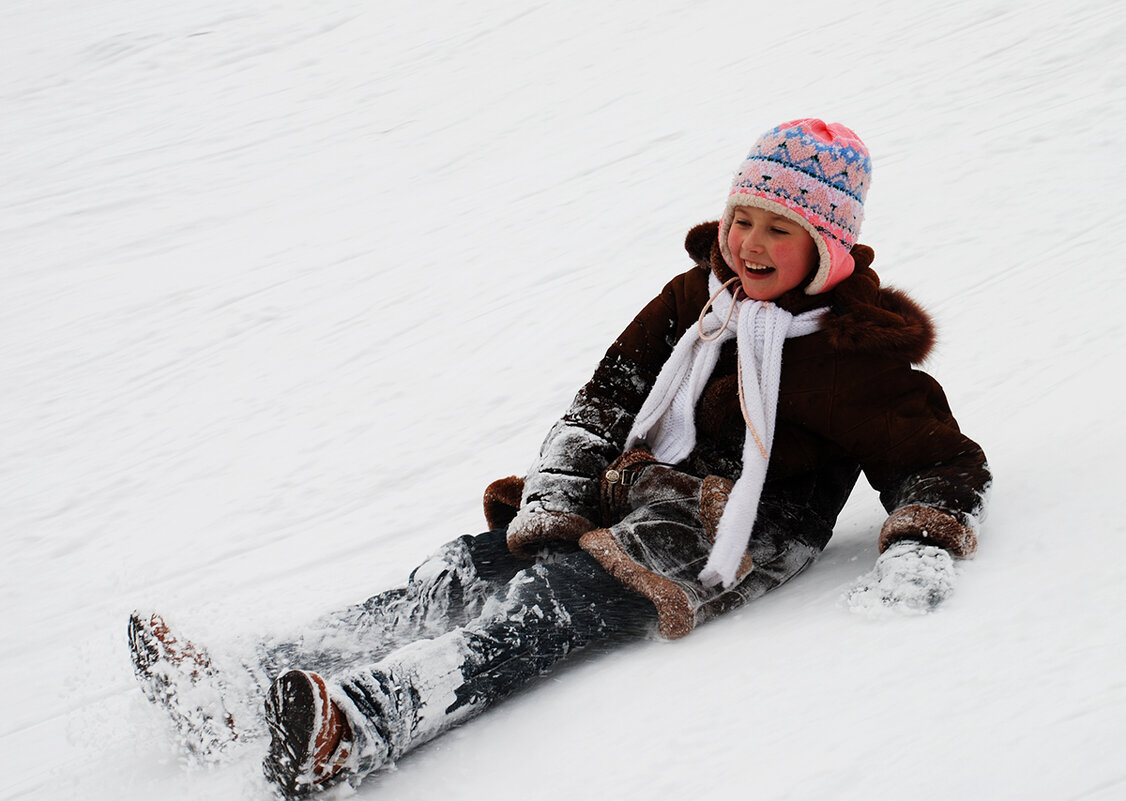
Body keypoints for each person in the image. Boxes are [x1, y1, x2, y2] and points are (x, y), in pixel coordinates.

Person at [128, 119, 990, 798]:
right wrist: (556, 497)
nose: (748, 244)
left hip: (736, 531)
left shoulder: (852, 355)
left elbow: (941, 463)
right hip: (636, 490)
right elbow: (608, 396)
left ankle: (360, 723)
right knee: (468, 564)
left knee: (554, 601)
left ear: (829, 246)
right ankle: (249, 679)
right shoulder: (698, 298)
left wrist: (918, 545)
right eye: (740, 218)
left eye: (778, 228)